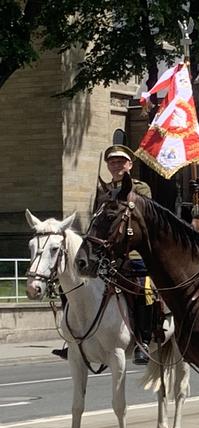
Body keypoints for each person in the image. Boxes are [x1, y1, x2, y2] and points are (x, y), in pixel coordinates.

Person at [52, 144, 154, 364]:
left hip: (132, 252)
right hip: (106, 254)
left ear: (130, 164)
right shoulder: (103, 189)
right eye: (112, 162)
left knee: (143, 287)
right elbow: (97, 223)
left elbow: (144, 217)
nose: (116, 165)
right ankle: (72, 336)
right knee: (71, 284)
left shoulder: (141, 188)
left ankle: (143, 340)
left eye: (120, 161)